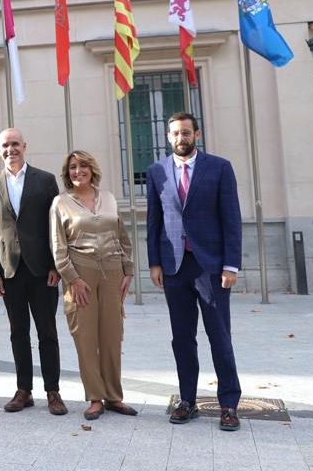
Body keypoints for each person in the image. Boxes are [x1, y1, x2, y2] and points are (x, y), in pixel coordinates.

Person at [146, 112, 243, 431]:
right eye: (175, 133)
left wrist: (231, 264)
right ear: (168, 136)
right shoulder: (157, 171)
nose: (180, 138)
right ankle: (187, 400)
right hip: (174, 266)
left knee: (219, 336)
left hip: (211, 267)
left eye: (186, 132)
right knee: (182, 338)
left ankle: (228, 404)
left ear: (196, 135)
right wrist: (155, 262)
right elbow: (154, 221)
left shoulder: (219, 167)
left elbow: (231, 218)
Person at [0, 128, 67, 415]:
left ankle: (53, 391)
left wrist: (57, 265)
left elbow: (57, 226)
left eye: (15, 144)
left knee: (47, 331)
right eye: (5, 146)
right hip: (10, 271)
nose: (11, 149)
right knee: (18, 332)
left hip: (42, 270)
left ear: (25, 146)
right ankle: (24, 390)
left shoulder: (45, 180)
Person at [49, 151, 136, 420]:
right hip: (80, 272)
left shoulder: (108, 198)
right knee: (85, 337)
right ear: (68, 173)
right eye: (73, 167)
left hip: (111, 271)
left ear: (92, 169)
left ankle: (113, 396)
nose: (78, 171)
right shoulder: (60, 203)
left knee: (112, 336)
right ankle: (95, 398)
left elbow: (121, 235)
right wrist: (72, 279)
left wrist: (128, 270)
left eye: (83, 166)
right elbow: (58, 245)